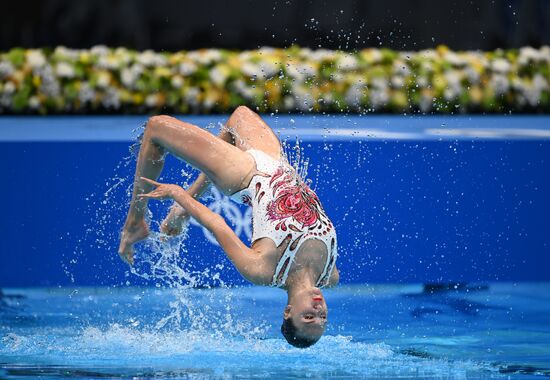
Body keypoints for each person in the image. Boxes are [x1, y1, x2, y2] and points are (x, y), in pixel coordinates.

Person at [118, 106, 339, 348]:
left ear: (288, 311)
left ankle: (134, 222)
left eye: (308, 316)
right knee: (240, 115)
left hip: (245, 176)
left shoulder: (262, 271)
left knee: (157, 127)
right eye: (322, 317)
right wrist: (182, 210)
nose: (318, 309)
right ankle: (179, 213)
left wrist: (178, 194)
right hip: (276, 162)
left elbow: (217, 224)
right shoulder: (329, 274)